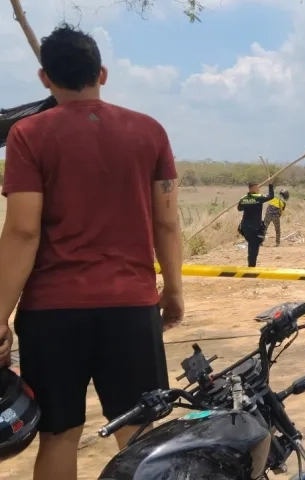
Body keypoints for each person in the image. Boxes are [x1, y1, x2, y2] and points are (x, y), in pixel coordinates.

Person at [0, 24, 183, 480]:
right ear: (102, 73)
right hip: (131, 308)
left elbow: (22, 231)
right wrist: (174, 289)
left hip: (51, 313)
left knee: (59, 434)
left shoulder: (27, 134)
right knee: (141, 434)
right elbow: (166, 222)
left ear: (45, 78)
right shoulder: (149, 131)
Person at [238, 182, 275, 267]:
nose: (258, 189)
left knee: (253, 244)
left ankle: (251, 264)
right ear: (252, 188)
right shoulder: (258, 197)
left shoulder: (243, 198)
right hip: (254, 227)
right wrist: (270, 185)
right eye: (257, 188)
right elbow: (271, 196)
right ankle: (251, 266)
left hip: (245, 227)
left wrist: (247, 203)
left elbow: (239, 209)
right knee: (254, 245)